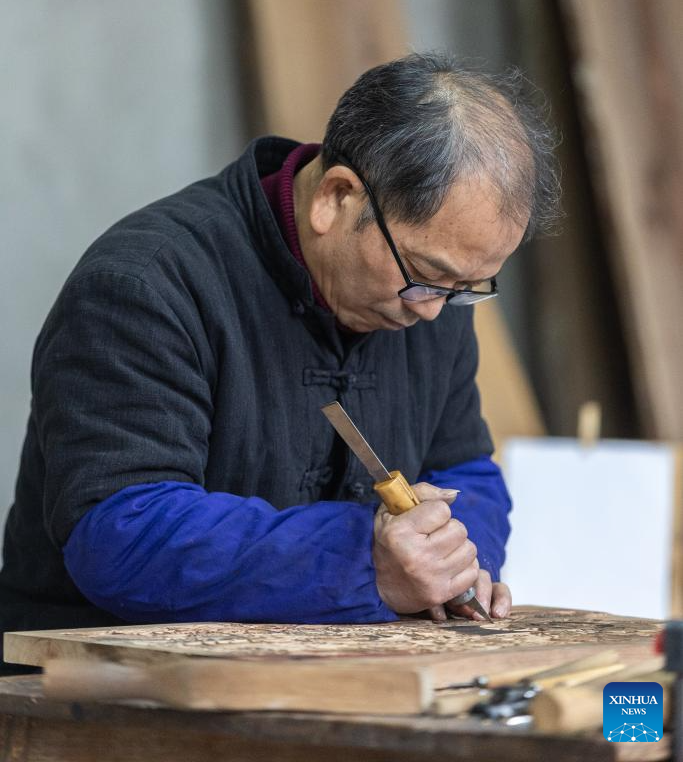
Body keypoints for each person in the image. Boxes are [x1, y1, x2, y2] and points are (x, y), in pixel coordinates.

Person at [0, 52, 560, 672]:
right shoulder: (146, 283)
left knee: (630, 718)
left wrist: (454, 561)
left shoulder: (429, 299)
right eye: (428, 278)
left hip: (342, 680)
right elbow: (121, 533)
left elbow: (465, 470)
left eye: (467, 288)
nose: (434, 312)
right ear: (336, 198)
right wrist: (364, 564)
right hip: (108, 692)